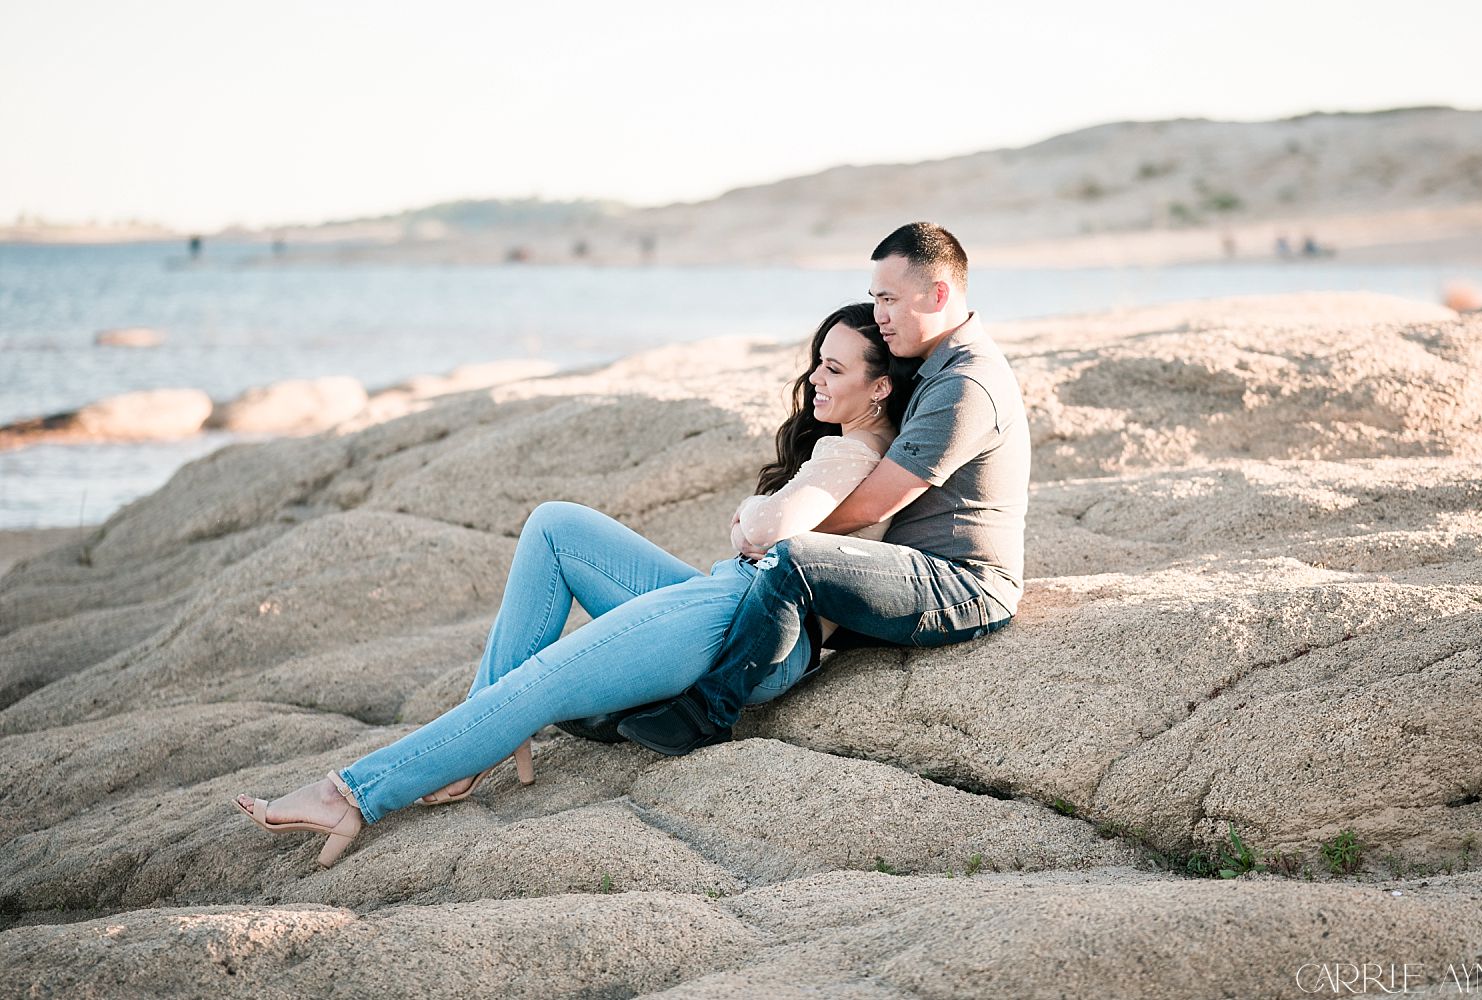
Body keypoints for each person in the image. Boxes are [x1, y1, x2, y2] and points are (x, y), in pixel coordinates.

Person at [233, 302, 913, 866]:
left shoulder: (850, 449)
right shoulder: (855, 445)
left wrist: (746, 521)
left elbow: (770, 531)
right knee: (556, 527)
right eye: (817, 362)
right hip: (730, 601)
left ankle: (351, 795)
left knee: (546, 677)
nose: (815, 379)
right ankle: (477, 741)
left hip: (749, 626)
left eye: (834, 368)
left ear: (880, 387)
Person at [617, 222, 1030, 755]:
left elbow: (878, 502)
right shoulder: (932, 365)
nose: (879, 315)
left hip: (964, 586)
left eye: (889, 299)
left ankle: (708, 713)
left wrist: (774, 535)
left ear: (939, 294)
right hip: (909, 569)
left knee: (797, 562)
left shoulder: (965, 383)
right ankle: (628, 700)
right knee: (765, 587)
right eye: (874, 298)